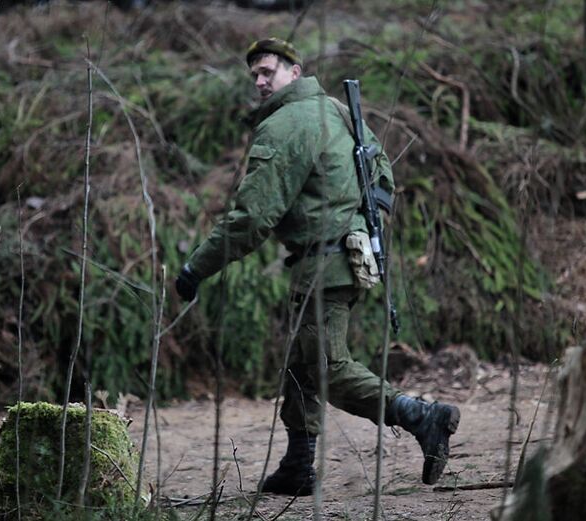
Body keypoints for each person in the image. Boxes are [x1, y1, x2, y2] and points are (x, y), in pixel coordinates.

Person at [175, 37, 460, 496]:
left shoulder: (287, 124)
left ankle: (421, 416)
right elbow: (384, 174)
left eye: (268, 71)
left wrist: (196, 268)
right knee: (301, 365)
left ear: (294, 70)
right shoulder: (336, 109)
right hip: (347, 256)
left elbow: (252, 218)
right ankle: (298, 464)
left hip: (326, 262)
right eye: (254, 75)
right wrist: (364, 227)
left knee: (326, 366)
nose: (260, 81)